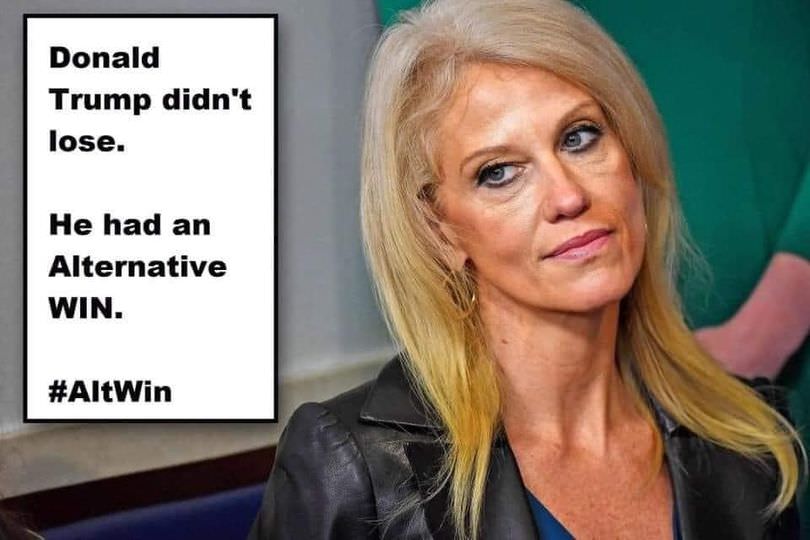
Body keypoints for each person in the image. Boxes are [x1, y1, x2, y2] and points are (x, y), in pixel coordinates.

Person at [248, 0, 804, 538]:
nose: (568, 196)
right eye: (498, 172)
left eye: (580, 137)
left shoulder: (750, 438)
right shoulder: (352, 469)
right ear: (440, 231)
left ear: (632, 155)